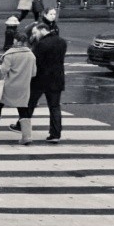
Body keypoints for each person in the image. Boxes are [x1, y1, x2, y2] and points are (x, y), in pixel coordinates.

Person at [0, 32, 38, 143]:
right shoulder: (31, 55)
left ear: (16, 41)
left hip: (9, 85)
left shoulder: (10, 54)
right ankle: (26, 136)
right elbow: (33, 73)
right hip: (24, 87)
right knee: (23, 109)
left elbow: (4, 70)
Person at [22, 13, 66, 143]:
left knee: (30, 104)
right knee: (54, 107)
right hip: (57, 79)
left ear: (42, 30)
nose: (35, 35)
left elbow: (35, 61)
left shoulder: (41, 44)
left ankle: (22, 127)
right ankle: (55, 134)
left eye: (35, 33)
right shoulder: (61, 42)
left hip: (40, 79)